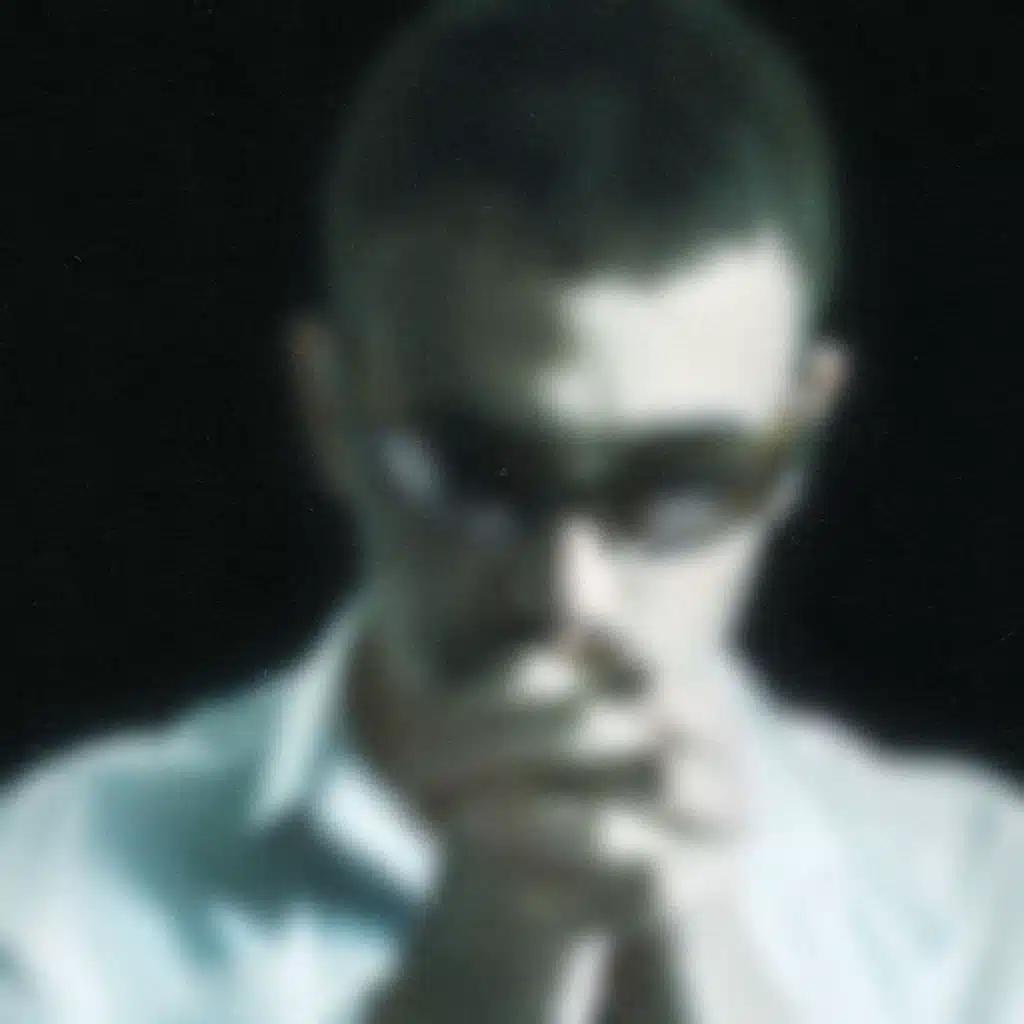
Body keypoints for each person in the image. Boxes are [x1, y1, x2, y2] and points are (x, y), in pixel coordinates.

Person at [2, 0, 1021, 1021]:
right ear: (328, 412)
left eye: (680, 484)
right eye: (475, 474)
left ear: (797, 442)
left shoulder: (979, 896)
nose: (572, 595)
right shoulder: (47, 899)